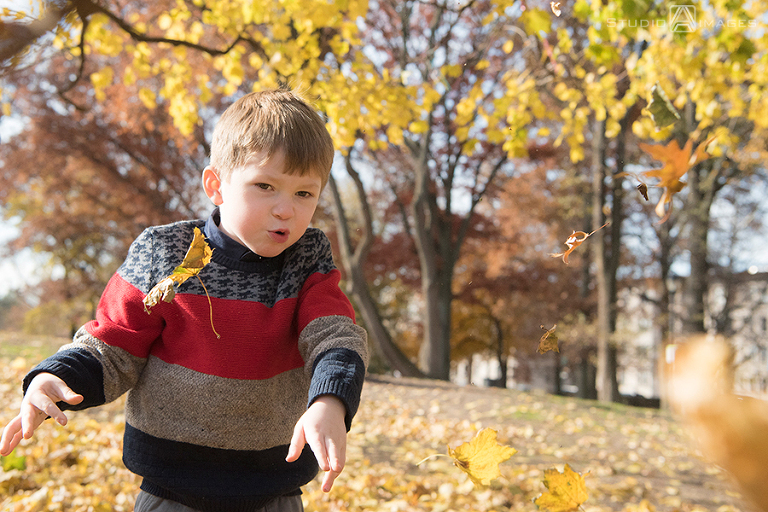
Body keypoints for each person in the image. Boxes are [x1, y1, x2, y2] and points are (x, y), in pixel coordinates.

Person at [0, 89, 369, 512]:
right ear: (216, 185)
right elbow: (114, 342)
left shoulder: (308, 260)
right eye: (265, 186)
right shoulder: (165, 252)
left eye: (305, 194)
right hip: (172, 486)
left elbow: (335, 335)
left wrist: (330, 400)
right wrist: (57, 376)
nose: (285, 209)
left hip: (275, 485)